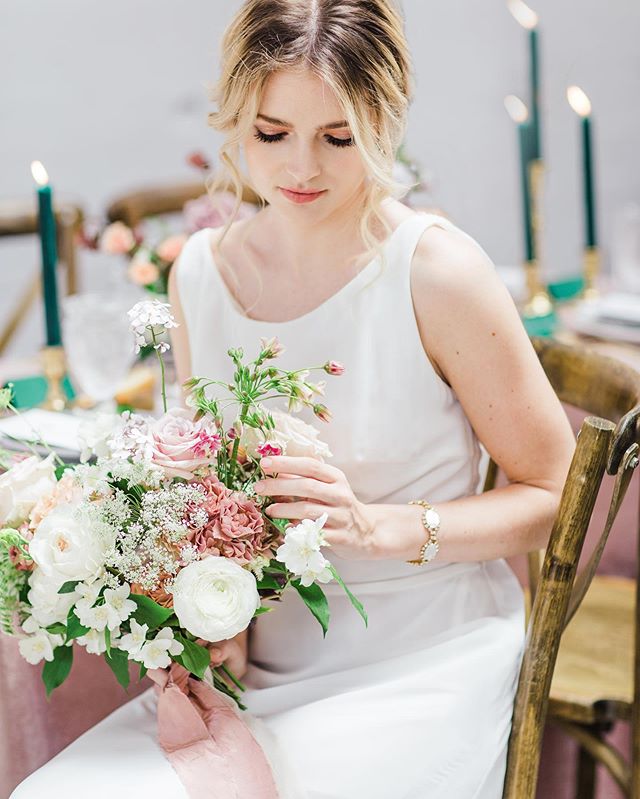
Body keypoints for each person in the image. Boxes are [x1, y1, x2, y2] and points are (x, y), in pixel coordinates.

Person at [10, 1, 576, 797]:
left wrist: (378, 528)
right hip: (256, 665)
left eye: (337, 137)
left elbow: (556, 491)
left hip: (417, 656)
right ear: (234, 116)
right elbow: (209, 492)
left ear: (384, 119)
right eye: (271, 133)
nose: (300, 168)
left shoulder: (436, 271)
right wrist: (202, 606)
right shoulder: (199, 272)